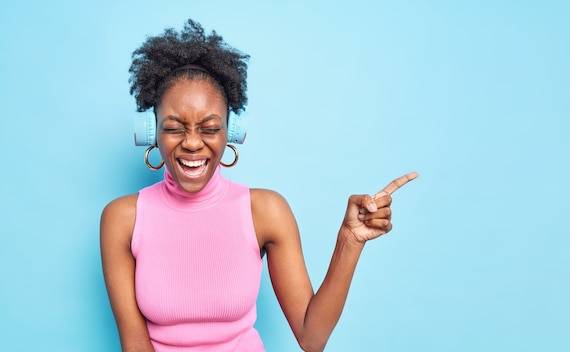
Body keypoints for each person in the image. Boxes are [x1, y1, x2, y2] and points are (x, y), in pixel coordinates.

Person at [100, 19, 418, 352]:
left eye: (209, 128)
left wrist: (349, 240)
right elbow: (135, 343)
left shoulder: (266, 211)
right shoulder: (123, 219)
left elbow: (312, 338)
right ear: (151, 132)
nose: (193, 143)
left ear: (231, 132)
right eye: (175, 128)